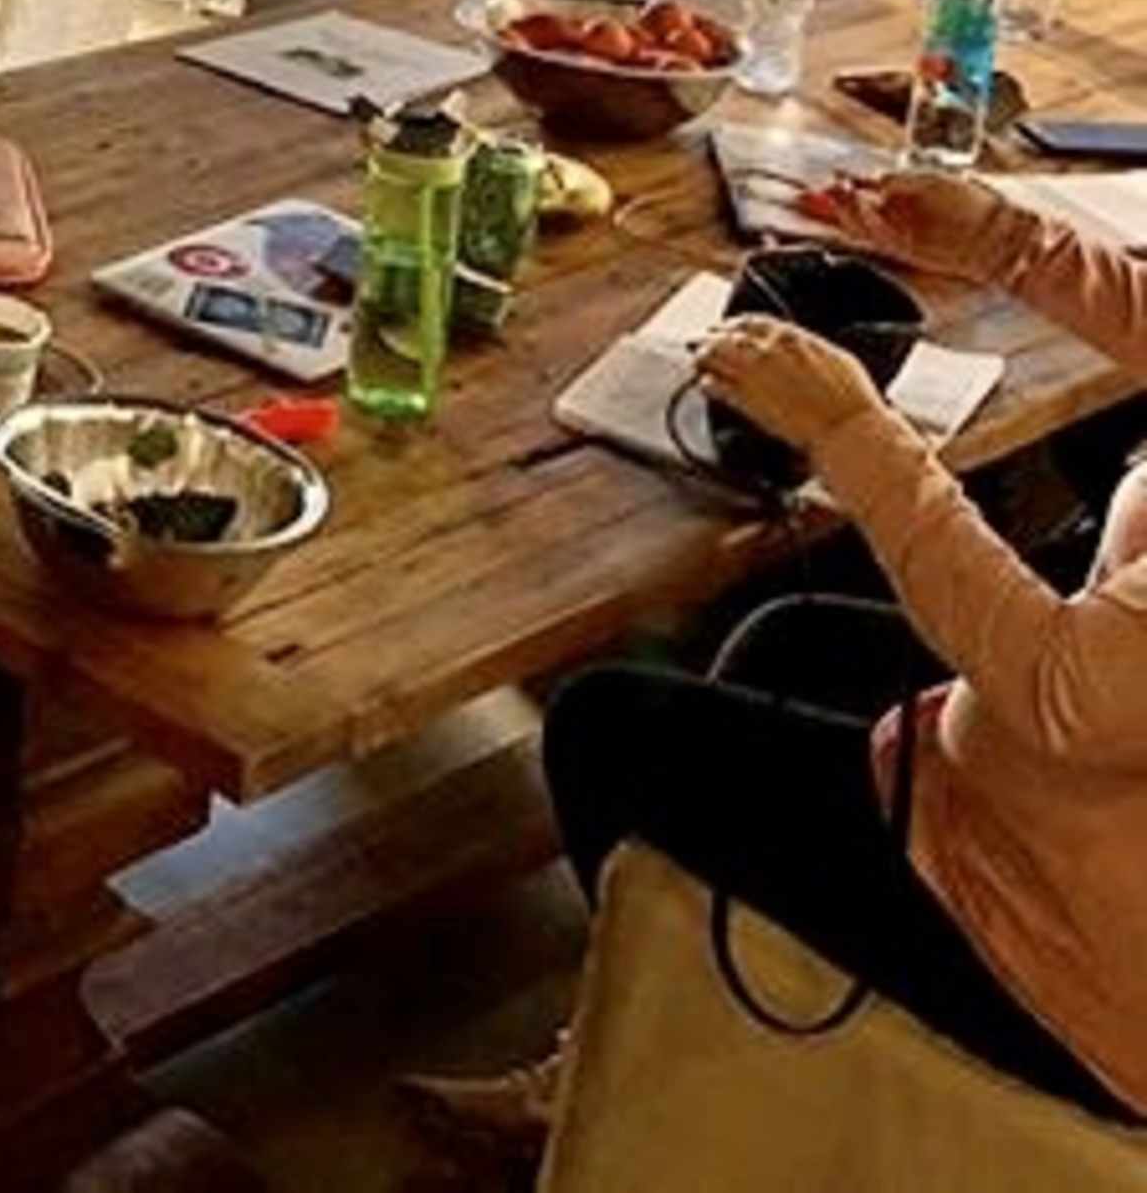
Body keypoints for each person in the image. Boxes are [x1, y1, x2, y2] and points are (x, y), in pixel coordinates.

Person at [435, 167, 1147, 1150]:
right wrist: (1010, 244)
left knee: (608, 731)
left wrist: (852, 433)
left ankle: (665, 1099)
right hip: (1080, 810)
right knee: (791, 643)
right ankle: (643, 1035)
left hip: (1072, 966)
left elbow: (1057, 688)